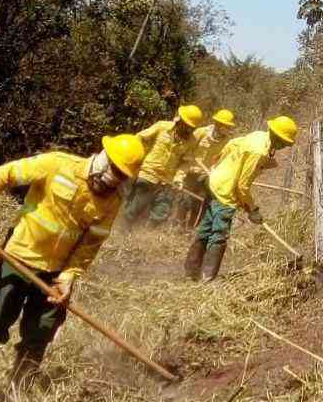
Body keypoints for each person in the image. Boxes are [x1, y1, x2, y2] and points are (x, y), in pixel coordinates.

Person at [0, 135, 145, 401]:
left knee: (41, 331)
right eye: (114, 171)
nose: (114, 180)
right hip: (18, 257)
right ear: (102, 158)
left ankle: (19, 393)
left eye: (122, 176)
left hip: (56, 273)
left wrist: (69, 276)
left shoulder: (112, 201)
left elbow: (91, 243)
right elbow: (2, 175)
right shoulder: (56, 164)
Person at [184, 116, 297, 282]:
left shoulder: (258, 135)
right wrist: (253, 209)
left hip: (215, 181)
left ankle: (191, 270)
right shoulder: (259, 151)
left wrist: (219, 162)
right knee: (219, 233)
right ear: (279, 139)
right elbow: (242, 186)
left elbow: (232, 144)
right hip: (226, 192)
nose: (284, 146)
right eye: (285, 143)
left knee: (206, 227)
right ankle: (207, 277)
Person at [123, 105, 203, 228]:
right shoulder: (162, 127)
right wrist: (136, 158)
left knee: (161, 211)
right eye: (187, 126)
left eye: (191, 128)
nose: (188, 130)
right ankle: (122, 232)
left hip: (168, 181)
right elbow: (139, 138)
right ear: (180, 121)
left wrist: (178, 178)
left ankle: (145, 236)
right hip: (148, 173)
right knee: (135, 207)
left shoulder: (191, 141)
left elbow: (186, 163)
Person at [173, 108, 237, 227]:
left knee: (199, 203)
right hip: (191, 173)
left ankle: (191, 229)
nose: (228, 129)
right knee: (185, 200)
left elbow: (223, 160)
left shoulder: (227, 142)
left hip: (207, 176)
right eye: (226, 126)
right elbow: (188, 151)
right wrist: (180, 173)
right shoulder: (201, 133)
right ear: (218, 124)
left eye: (229, 127)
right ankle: (177, 226)